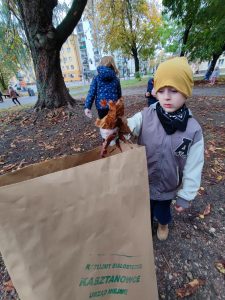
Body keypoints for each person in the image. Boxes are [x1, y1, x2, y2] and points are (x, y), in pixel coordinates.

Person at [102, 57, 204, 241]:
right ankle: (145, 225)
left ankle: (163, 224)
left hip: (168, 185)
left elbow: (194, 165)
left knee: (162, 210)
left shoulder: (193, 129)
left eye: (174, 90)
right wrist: (115, 128)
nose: (166, 96)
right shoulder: (146, 116)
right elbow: (128, 128)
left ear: (186, 92)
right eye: (161, 90)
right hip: (144, 179)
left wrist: (186, 195)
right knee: (145, 208)